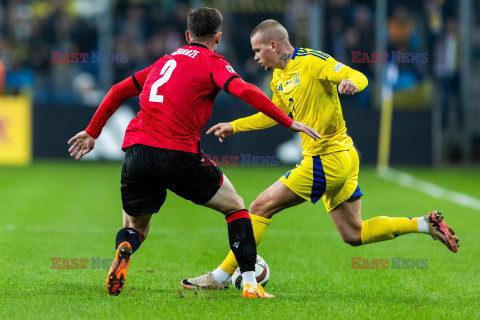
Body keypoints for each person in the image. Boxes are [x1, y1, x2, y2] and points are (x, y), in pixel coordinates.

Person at [182, 19, 459, 290]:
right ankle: (424, 224)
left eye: (257, 50)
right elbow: (275, 115)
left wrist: (352, 83)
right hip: (342, 159)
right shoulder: (279, 76)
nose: (255, 57)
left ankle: (218, 278)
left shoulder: (313, 62)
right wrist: (235, 126)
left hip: (328, 159)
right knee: (354, 233)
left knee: (259, 207)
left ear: (274, 45)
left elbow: (358, 76)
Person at [68, 9, 320, 299]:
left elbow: (116, 90)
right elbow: (245, 91)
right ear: (218, 37)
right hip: (179, 155)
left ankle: (125, 248)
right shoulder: (213, 62)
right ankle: (250, 282)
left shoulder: (164, 61)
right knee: (236, 207)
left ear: (187, 35)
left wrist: (92, 132)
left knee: (135, 227)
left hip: (138, 152)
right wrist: (288, 120)